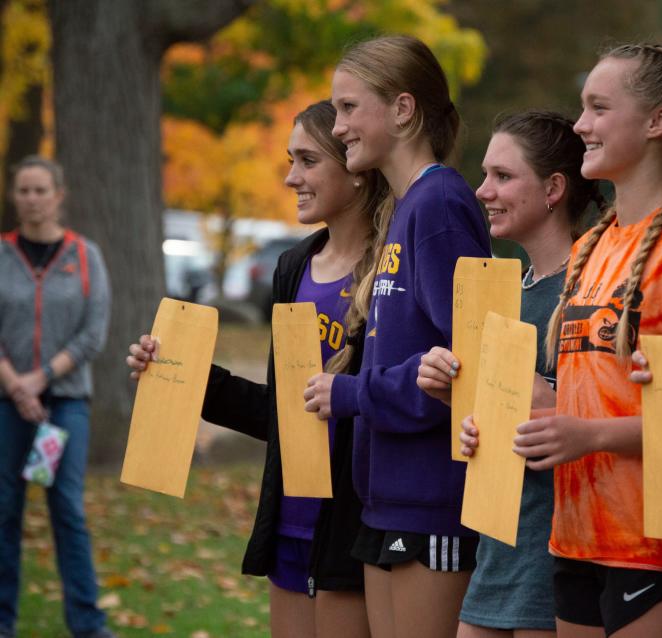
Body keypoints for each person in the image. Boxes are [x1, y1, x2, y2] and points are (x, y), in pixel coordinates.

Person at [463, 45, 662, 638]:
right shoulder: (592, 246)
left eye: (598, 108)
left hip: (654, 543)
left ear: (657, 123)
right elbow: (583, 399)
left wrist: (586, 435)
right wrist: (512, 417)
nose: (579, 124)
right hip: (574, 537)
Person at [126, 101, 387, 638]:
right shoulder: (292, 266)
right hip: (290, 518)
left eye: (308, 161)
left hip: (358, 526)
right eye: (291, 161)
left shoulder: (392, 270)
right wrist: (179, 376)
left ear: (357, 169)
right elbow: (282, 412)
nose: (292, 177)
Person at [302, 35, 492, 638]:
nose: (339, 126)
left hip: (432, 500)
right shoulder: (409, 206)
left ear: (404, 110)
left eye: (350, 108)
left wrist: (352, 394)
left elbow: (466, 366)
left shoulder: (439, 204)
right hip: (385, 497)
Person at [416, 110, 603, 637]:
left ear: (554, 189)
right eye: (484, 175)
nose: (481, 192)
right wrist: (460, 405)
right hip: (498, 548)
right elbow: (501, 424)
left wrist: (554, 402)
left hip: (556, 556)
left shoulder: (590, 287)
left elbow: (597, 412)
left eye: (502, 176)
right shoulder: (504, 293)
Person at [0, 156, 113, 638]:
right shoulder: (2, 254)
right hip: (6, 405)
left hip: (65, 406)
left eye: (40, 190)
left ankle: (87, 625)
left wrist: (40, 379)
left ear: (59, 195)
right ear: (14, 196)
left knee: (66, 508)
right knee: (4, 511)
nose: (32, 199)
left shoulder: (85, 256)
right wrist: (15, 385)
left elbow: (94, 334)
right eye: (23, 190)